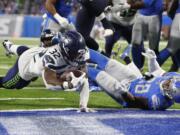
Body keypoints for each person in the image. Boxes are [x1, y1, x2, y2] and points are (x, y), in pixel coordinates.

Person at [0, 30, 90, 112]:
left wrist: (83, 106)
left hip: (37, 53)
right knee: (10, 84)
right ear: (66, 50)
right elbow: (49, 83)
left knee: (29, 52)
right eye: (75, 53)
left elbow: (84, 78)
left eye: (80, 53)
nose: (79, 56)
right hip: (26, 64)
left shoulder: (81, 53)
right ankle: (10, 46)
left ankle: (10, 46)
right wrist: (66, 85)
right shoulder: (53, 58)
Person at [87, 48, 180, 110]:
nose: (167, 82)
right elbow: (157, 71)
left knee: (98, 74)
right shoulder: (174, 77)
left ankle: (74, 68)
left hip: (125, 92)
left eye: (168, 86)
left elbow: (134, 102)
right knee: (106, 62)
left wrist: (123, 92)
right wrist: (152, 60)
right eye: (170, 81)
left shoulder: (158, 101)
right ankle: (79, 49)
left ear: (170, 94)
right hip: (133, 79)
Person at [125, 0, 164, 69]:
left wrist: (126, 4)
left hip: (155, 15)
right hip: (140, 14)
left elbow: (142, 4)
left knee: (153, 47)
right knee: (135, 42)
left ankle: (155, 72)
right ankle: (138, 68)